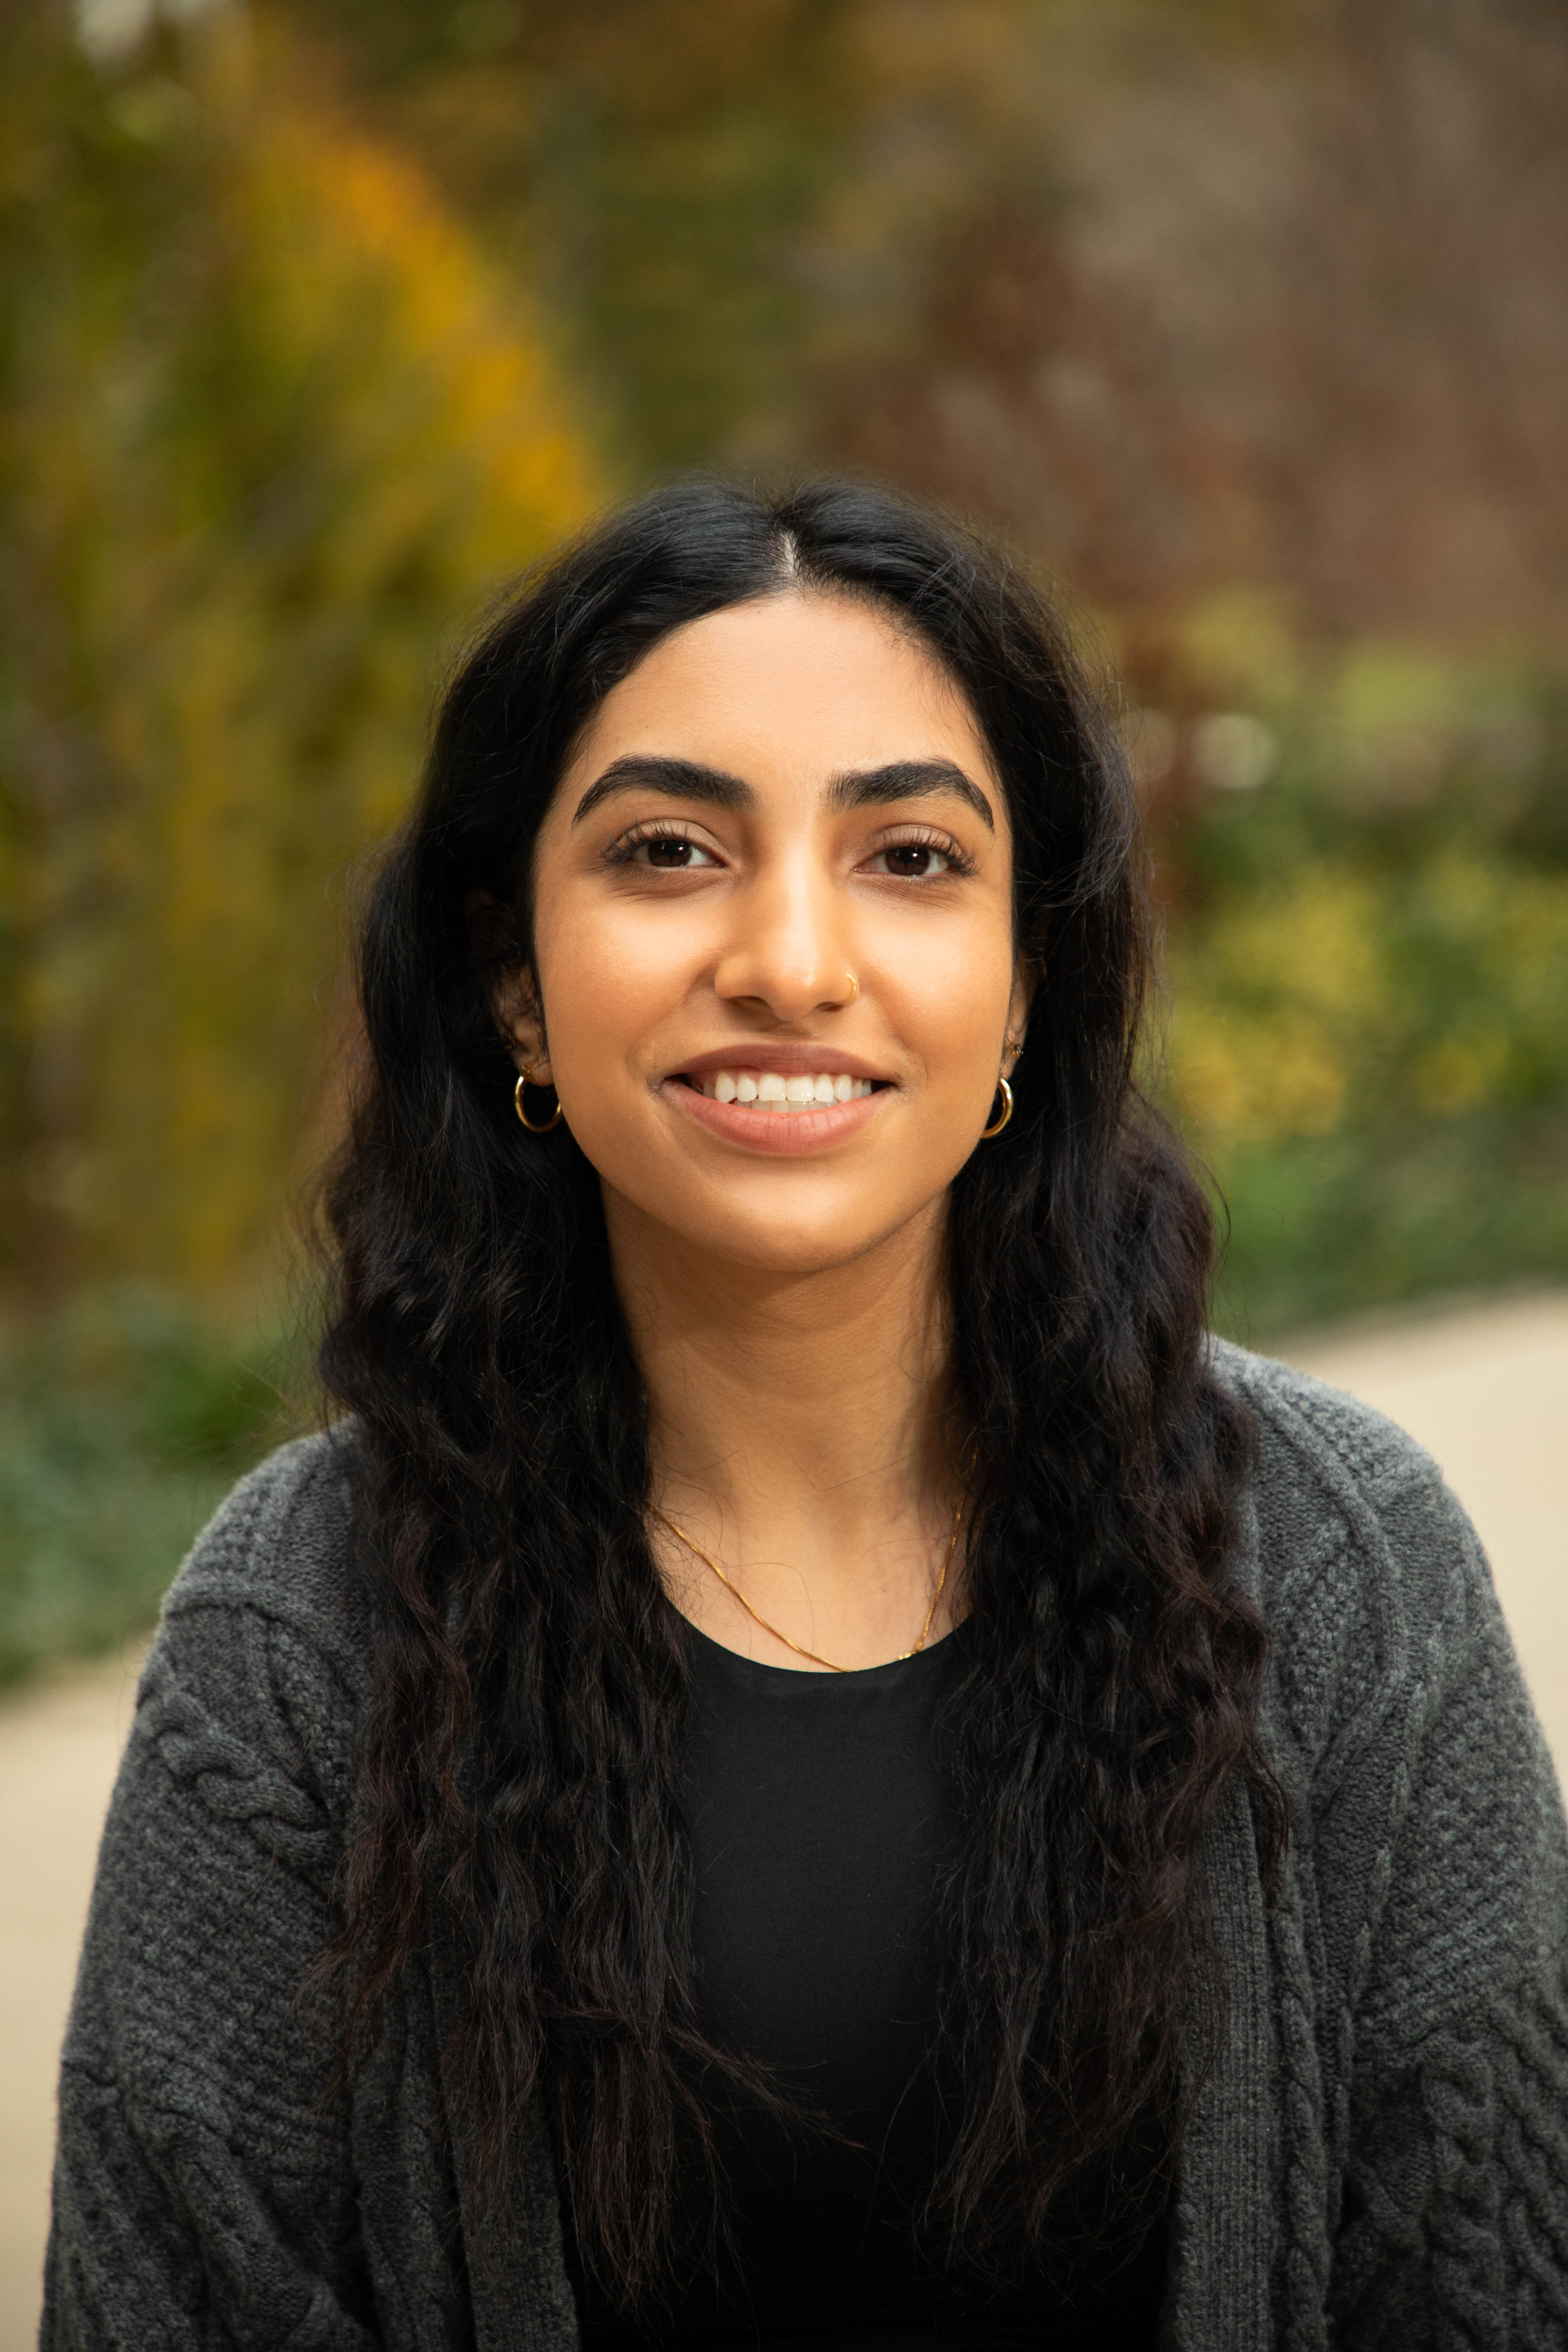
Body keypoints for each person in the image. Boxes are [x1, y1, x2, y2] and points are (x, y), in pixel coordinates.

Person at [43, 480, 1568, 2351]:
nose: (789, 958)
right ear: (515, 980)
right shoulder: (301, 1642)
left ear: (1025, 986)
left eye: (910, 858)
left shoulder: (1345, 1573)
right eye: (671, 850)